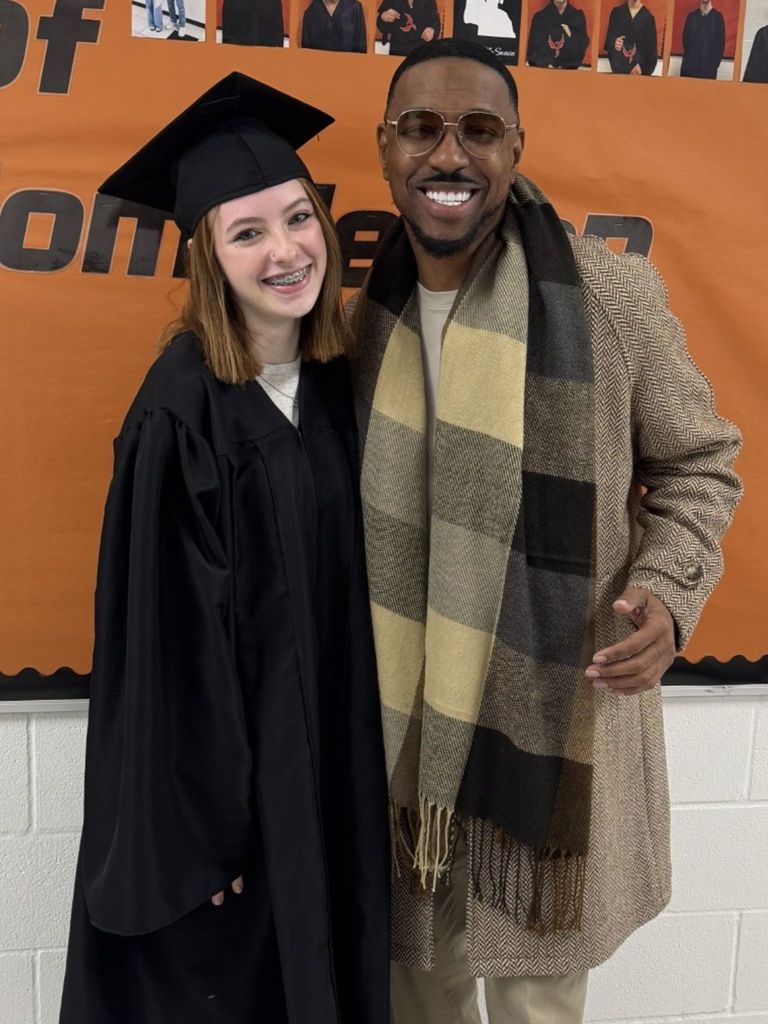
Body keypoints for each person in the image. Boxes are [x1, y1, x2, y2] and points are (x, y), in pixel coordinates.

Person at [351, 37, 742, 1024]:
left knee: (535, 1005)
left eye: (479, 130)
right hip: (407, 745)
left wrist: (666, 589)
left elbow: (701, 462)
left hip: (547, 739)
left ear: (516, 148)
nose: (450, 154)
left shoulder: (607, 299)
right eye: (423, 129)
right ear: (386, 147)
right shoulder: (361, 322)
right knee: (416, 994)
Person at [58, 72, 389, 1024]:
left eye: (297, 219)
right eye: (248, 233)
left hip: (337, 782)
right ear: (208, 257)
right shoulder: (179, 410)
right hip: (237, 827)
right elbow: (160, 655)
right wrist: (197, 840)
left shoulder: (337, 389)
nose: (285, 251)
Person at [527, 0, 589, 67]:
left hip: (570, 72)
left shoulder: (578, 16)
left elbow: (582, 46)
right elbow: (533, 52)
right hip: (544, 72)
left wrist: (570, 35)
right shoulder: (540, 18)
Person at [603, 0, 658, 73]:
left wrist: (641, 69)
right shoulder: (617, 13)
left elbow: (652, 54)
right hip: (619, 72)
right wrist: (614, 43)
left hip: (640, 75)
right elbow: (609, 44)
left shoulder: (648, 18)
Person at [377, 0, 441, 56]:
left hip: (421, 53)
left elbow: (435, 24)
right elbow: (381, 26)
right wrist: (383, 17)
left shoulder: (429, 1)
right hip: (397, 51)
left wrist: (432, 31)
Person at [680, 0, 725, 79]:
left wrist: (712, 67)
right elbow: (686, 43)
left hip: (708, 74)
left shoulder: (718, 18)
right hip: (688, 72)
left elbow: (720, 46)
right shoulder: (691, 17)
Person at [302, 0, 367, 52]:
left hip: (349, 66)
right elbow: (306, 55)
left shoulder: (355, 8)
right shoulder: (310, 12)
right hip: (319, 67)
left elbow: (361, 50)